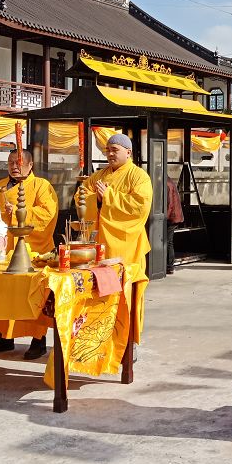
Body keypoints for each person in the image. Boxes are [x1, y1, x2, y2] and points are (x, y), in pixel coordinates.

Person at [0, 149, 59, 360]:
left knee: (34, 298)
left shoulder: (41, 186)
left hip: (34, 250)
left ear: (30, 165)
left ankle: (38, 340)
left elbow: (47, 215)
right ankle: (4, 337)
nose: (15, 166)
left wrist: (18, 213)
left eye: (20, 162)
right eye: (11, 162)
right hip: (4, 249)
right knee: (2, 295)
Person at [80, 133, 152, 368]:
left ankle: (128, 343)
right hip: (100, 247)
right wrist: (97, 201)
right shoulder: (98, 175)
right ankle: (99, 342)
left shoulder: (138, 176)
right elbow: (81, 196)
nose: (110, 154)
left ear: (128, 153)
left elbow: (140, 207)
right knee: (101, 297)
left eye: (115, 150)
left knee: (126, 298)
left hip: (127, 248)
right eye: (108, 150)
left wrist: (108, 196)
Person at [164, 175, 184, 275]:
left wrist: (164, 218)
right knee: (169, 241)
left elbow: (168, 205)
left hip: (171, 217)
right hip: (174, 216)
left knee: (168, 242)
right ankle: (169, 266)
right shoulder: (169, 181)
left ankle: (169, 266)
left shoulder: (165, 184)